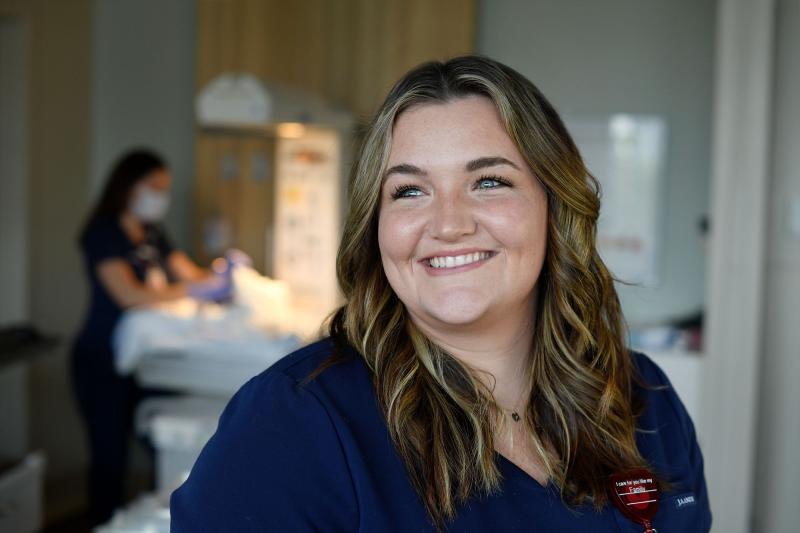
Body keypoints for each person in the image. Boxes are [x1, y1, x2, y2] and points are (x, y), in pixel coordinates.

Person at [170, 56, 711, 531]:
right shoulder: (294, 422)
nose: (448, 224)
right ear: (376, 226)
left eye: (489, 181)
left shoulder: (645, 402)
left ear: (555, 206)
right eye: (409, 190)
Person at [71, 149, 231, 526]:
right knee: (110, 459)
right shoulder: (103, 233)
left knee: (167, 445)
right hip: (101, 360)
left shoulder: (153, 233)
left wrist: (221, 279)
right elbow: (129, 295)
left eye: (165, 188)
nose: (161, 196)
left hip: (150, 365)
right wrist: (192, 292)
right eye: (154, 187)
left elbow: (188, 273)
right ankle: (104, 521)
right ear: (128, 186)